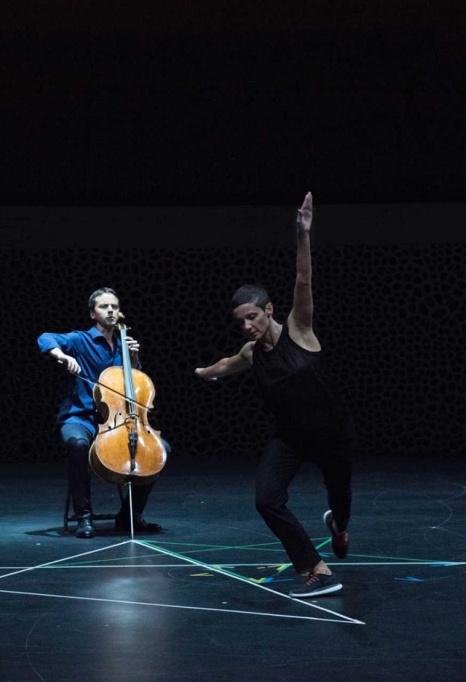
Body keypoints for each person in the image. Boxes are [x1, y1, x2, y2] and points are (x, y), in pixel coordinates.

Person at [194, 192, 354, 598]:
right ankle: (315, 569)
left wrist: (303, 234)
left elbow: (304, 280)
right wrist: (202, 373)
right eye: (241, 321)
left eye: (252, 316)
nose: (247, 325)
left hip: (332, 434)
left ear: (268, 310)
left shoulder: (299, 330)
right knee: (266, 499)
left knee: (340, 502)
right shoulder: (251, 352)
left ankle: (338, 528)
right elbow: (227, 365)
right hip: (290, 438)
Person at [37, 287, 165, 539]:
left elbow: (134, 385)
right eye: (104, 307)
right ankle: (83, 516)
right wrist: (60, 355)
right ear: (93, 314)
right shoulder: (80, 340)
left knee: (160, 450)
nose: (110, 310)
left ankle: (130, 515)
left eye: (114, 307)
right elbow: (45, 337)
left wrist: (134, 357)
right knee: (76, 443)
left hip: (122, 422)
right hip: (81, 417)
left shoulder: (124, 345)